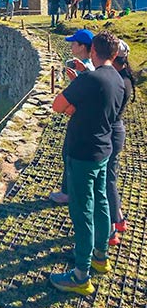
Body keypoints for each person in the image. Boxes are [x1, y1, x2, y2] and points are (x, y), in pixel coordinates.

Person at [50, 31, 124, 295]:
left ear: (93, 51)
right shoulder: (118, 79)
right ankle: (101, 256)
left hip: (82, 153)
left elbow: (58, 105)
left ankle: (81, 275)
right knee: (101, 202)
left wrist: (73, 103)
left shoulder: (89, 79)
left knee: (82, 212)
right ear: (114, 54)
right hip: (103, 150)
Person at [49, 29, 96, 204]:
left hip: (80, 120)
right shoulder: (89, 67)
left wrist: (69, 104)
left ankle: (68, 193)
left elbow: (83, 96)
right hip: (85, 120)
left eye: (74, 43)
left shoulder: (87, 69)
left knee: (70, 154)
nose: (71, 46)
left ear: (82, 46)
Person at [108, 40, 135, 246]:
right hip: (116, 132)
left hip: (110, 133)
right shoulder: (124, 79)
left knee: (105, 182)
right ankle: (119, 220)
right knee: (111, 178)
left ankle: (110, 232)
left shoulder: (119, 82)